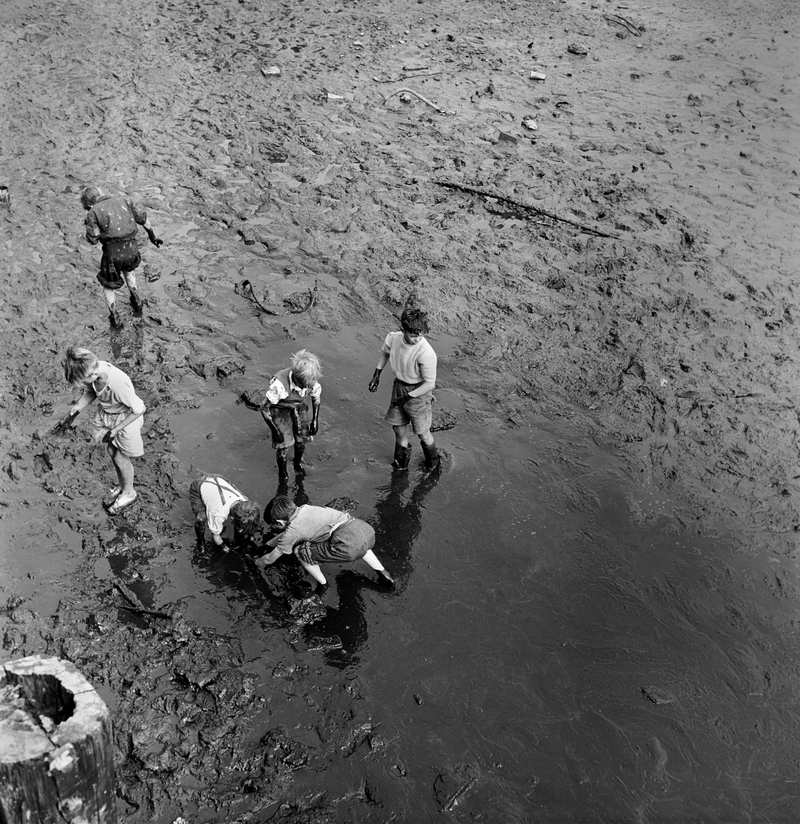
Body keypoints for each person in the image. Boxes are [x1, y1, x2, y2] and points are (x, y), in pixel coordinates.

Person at [55, 346, 146, 514]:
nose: (83, 384)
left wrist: (117, 429)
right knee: (112, 451)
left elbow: (139, 409)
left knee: (120, 457)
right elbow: (91, 393)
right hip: (111, 414)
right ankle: (122, 486)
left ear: (93, 374)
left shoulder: (118, 384)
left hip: (126, 419)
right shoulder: (94, 371)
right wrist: (72, 414)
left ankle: (129, 493)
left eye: (82, 381)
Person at [255, 495, 394, 589]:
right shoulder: (307, 508)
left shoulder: (293, 529)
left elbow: (270, 558)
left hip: (348, 546)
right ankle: (383, 573)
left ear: (279, 522)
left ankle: (323, 584)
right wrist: (267, 545)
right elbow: (285, 535)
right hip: (365, 531)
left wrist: (256, 563)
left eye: (274, 526)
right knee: (358, 541)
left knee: (300, 552)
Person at [368, 307, 441, 471]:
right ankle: (400, 465)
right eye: (414, 335)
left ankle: (433, 463)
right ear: (404, 329)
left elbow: (430, 384)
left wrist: (408, 397)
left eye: (421, 335)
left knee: (423, 432)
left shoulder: (426, 353)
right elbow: (385, 353)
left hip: (419, 393)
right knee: (398, 428)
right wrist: (376, 374)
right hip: (399, 387)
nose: (417, 339)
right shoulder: (393, 338)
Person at [81, 185, 163, 329]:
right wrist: (153, 237)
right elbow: (143, 219)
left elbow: (93, 238)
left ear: (88, 205)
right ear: (101, 192)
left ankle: (114, 317)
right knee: (129, 271)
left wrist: (88, 228)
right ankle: (136, 300)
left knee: (108, 284)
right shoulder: (125, 200)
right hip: (131, 248)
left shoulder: (93, 212)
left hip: (112, 254)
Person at [259, 350, 322, 479]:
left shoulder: (311, 380)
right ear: (298, 380)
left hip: (298, 405)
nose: (308, 387)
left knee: (302, 438)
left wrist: (315, 420)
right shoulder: (279, 385)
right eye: (305, 385)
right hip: (280, 408)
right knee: (283, 444)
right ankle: (283, 474)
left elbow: (316, 399)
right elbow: (264, 408)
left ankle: (298, 463)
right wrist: (275, 430)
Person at [189, 475, 262, 552]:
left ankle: (241, 527)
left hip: (218, 479)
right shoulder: (218, 514)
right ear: (232, 518)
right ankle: (200, 541)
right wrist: (224, 547)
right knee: (201, 519)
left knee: (243, 519)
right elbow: (216, 535)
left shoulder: (245, 501)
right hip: (200, 486)